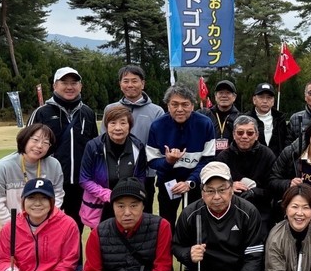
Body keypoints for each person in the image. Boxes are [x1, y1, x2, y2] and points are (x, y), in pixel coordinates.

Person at [27, 66, 98, 271]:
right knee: (46, 223)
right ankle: (45, 265)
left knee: (76, 224)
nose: (69, 87)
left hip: (79, 181)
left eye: (74, 82)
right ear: (54, 85)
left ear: (80, 86)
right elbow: (28, 145)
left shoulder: (87, 112)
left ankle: (76, 265)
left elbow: (94, 147)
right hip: (48, 182)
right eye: (64, 82)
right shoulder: (42, 112)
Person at [0, 123, 65, 271]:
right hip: (9, 225)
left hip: (43, 224)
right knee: (8, 261)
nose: (39, 146)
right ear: (24, 139)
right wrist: (17, 228)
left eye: (45, 142)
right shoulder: (2, 167)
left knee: (41, 259)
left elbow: (58, 195)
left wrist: (44, 221)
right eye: (35, 140)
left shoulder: (53, 165)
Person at [147, 84, 216, 230]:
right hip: (168, 183)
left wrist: (190, 182)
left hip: (195, 183)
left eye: (185, 104)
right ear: (168, 105)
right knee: (167, 224)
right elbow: (152, 160)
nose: (180, 109)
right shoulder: (157, 126)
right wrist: (168, 161)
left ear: (192, 105)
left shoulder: (205, 124)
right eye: (174, 104)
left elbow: (208, 159)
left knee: (195, 225)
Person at [102, 64, 165, 214]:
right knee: (114, 215)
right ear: (120, 84)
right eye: (126, 81)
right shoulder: (110, 109)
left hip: (145, 175)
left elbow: (159, 144)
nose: (130, 85)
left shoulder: (156, 111)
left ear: (142, 83)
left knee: (143, 214)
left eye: (134, 81)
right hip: (114, 173)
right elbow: (103, 141)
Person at [79, 106, 147, 229]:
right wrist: (108, 194)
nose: (118, 128)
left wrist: (130, 192)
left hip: (127, 205)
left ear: (130, 126)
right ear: (106, 125)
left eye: (123, 123)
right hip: (101, 206)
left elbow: (140, 176)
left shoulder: (138, 147)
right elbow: (84, 179)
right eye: (113, 123)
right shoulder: (93, 146)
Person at [215, 115, 277, 237]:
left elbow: (273, 187)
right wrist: (230, 187)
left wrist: (255, 192)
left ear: (257, 135)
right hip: (230, 209)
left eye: (250, 133)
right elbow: (215, 186)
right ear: (234, 134)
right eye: (240, 133)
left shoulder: (267, 155)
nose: (244, 136)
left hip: (261, 209)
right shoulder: (223, 157)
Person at [245, 82, 287, 156]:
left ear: (273, 101)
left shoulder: (280, 119)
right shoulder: (245, 119)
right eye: (261, 97)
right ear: (254, 100)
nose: (265, 101)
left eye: (269, 97)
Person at [198, 79, 240, 154]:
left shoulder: (240, 118)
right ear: (215, 96)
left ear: (234, 97)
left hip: (232, 158)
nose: (224, 96)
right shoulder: (204, 115)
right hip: (208, 158)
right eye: (220, 93)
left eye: (228, 93)